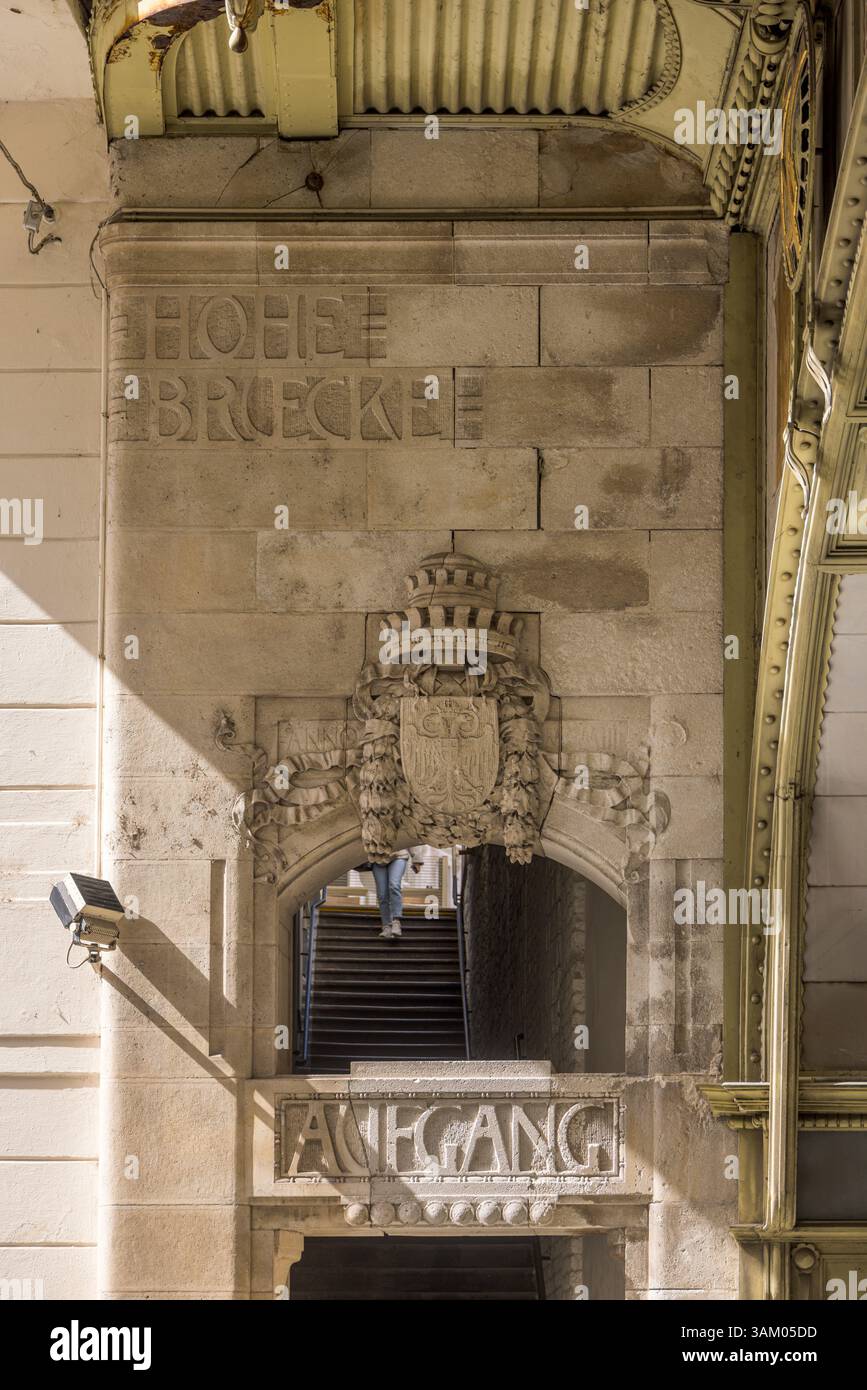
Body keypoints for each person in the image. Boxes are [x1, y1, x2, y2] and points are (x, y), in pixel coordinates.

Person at [370, 848, 424, 940]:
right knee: (382, 894)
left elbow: (409, 837)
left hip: (399, 855)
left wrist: (416, 860)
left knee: (394, 885)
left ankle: (396, 921)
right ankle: (386, 926)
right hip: (377, 858)